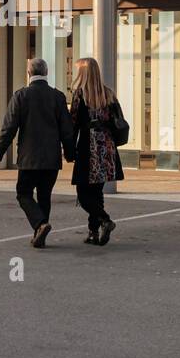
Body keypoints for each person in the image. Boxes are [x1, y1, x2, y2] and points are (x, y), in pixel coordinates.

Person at [0, 57, 75, 248]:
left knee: (23, 193)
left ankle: (40, 225)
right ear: (46, 73)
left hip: (29, 158)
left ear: (29, 73)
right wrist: (70, 154)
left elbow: (9, 128)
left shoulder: (21, 96)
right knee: (45, 195)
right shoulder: (58, 97)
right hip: (52, 158)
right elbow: (66, 130)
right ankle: (40, 232)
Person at [68, 57, 126, 246]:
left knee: (83, 194)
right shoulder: (108, 94)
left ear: (83, 73)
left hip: (89, 147)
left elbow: (73, 124)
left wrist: (68, 149)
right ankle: (93, 232)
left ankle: (105, 220)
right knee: (96, 191)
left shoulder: (80, 95)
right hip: (107, 147)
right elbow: (118, 120)